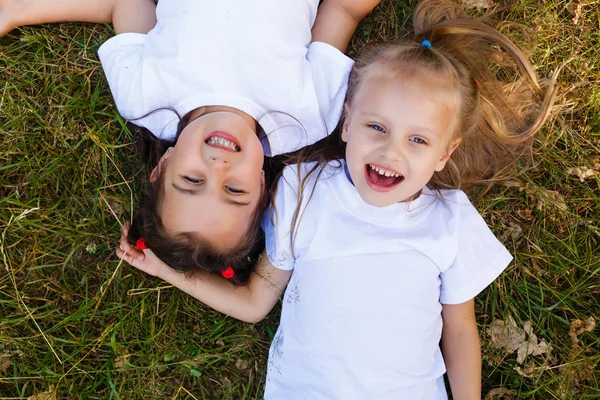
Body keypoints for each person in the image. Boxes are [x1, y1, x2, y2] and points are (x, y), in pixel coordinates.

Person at [117, 0, 561, 398]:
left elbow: (460, 329)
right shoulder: (302, 188)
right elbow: (255, 304)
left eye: (419, 141)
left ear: (445, 154)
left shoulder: (449, 218)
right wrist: (166, 268)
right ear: (346, 125)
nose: (391, 153)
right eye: (377, 128)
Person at [0, 0, 381, 284]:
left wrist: (15, 12)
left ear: (163, 166)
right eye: (234, 190)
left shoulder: (144, 97)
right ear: (263, 189)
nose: (218, 168)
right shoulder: (307, 117)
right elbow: (344, 10)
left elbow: (124, 3)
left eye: (193, 181)